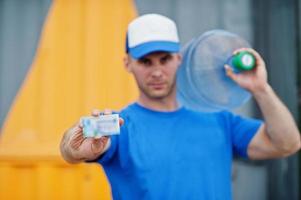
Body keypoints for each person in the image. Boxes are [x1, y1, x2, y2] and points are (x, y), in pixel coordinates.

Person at [60, 13, 301, 200]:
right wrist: (75, 145)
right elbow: (72, 147)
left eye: (164, 59)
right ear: (127, 64)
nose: (156, 71)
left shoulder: (218, 119)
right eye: (145, 61)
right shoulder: (120, 125)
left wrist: (261, 89)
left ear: (179, 58)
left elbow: (287, 143)